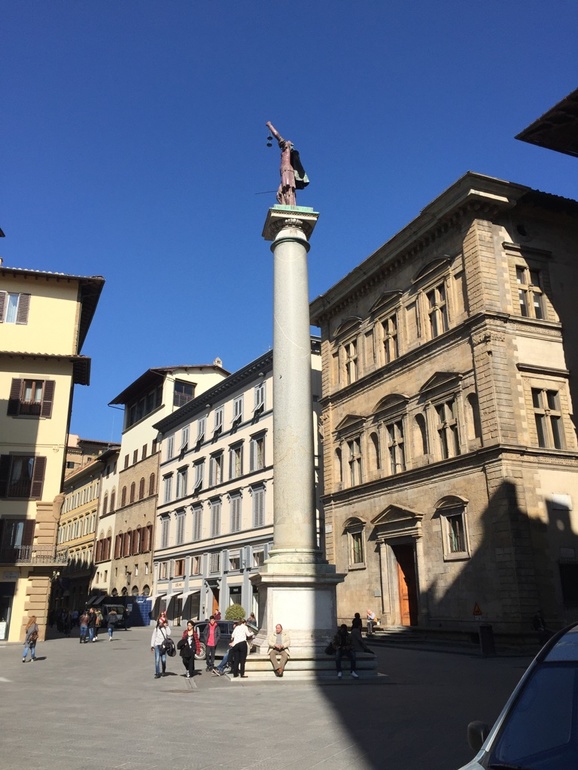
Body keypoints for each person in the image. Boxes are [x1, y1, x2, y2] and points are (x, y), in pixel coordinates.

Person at [150, 614, 171, 679]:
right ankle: (157, 673)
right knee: (157, 660)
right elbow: (153, 636)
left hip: (164, 646)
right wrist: (152, 645)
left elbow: (169, 633)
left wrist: (167, 626)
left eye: (162, 619)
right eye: (160, 620)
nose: (161, 622)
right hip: (157, 645)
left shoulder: (165, 628)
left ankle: (163, 670)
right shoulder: (156, 628)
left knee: (163, 660)